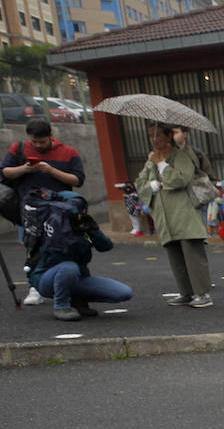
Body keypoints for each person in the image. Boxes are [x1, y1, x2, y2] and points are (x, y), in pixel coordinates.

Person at [4, 119, 86, 304]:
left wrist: (50, 170)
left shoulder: (69, 152)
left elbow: (77, 180)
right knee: (32, 248)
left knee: (62, 247)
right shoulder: (19, 148)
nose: (38, 145)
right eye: (34, 142)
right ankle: (35, 287)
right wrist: (24, 168)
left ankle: (65, 286)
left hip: (59, 210)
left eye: (42, 142)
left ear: (51, 136)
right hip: (30, 208)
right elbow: (5, 172)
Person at [137, 122, 213, 308]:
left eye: (157, 135)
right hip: (164, 214)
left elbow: (182, 179)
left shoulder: (182, 156)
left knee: (192, 253)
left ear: (168, 136)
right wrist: (152, 185)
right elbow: (140, 183)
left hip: (184, 212)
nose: (153, 140)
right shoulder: (151, 159)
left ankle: (202, 293)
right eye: (150, 136)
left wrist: (162, 165)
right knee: (174, 254)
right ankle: (185, 292)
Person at [26, 200, 131, 321]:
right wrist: (72, 234)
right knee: (69, 267)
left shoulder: (80, 226)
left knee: (123, 292)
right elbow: (60, 255)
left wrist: (93, 230)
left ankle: (77, 301)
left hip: (77, 277)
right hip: (46, 279)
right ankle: (61, 306)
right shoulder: (52, 227)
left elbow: (106, 246)